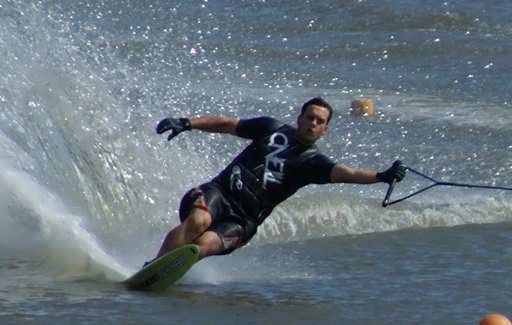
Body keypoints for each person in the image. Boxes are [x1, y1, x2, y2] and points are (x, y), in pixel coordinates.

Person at [152, 96, 406, 261]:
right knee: (199, 221)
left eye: (319, 121)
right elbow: (227, 124)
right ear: (300, 118)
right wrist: (187, 123)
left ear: (324, 130)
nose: (312, 123)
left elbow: (347, 174)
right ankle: (153, 265)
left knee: (204, 244)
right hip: (216, 194)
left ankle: (166, 271)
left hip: (243, 222)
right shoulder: (270, 128)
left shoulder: (313, 163)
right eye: (309, 117)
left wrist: (382, 176)